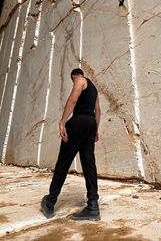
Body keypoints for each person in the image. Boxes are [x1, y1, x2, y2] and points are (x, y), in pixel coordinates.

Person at [41, 68, 101, 221]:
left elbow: (73, 100)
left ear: (73, 76)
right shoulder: (94, 89)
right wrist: (96, 129)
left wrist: (62, 122)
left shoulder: (79, 80)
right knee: (89, 163)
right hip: (91, 123)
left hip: (78, 122)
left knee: (63, 161)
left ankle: (50, 201)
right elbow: (98, 110)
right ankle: (93, 205)